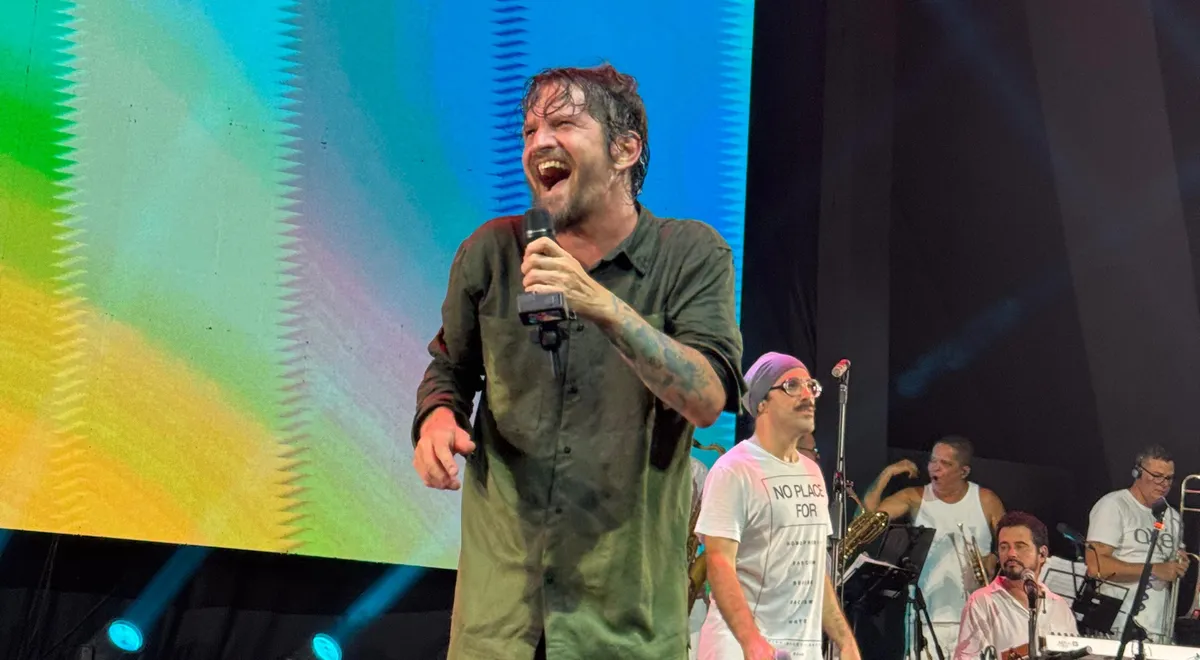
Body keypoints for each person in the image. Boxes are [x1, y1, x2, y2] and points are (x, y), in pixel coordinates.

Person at [409, 63, 745, 660]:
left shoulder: (691, 254)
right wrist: (438, 418)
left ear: (624, 149)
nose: (539, 141)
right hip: (500, 621)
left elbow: (707, 397)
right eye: (530, 129)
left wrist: (602, 305)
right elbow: (451, 370)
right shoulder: (492, 252)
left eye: (563, 123)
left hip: (622, 625)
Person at [695, 352, 861, 660]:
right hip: (740, 648)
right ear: (762, 403)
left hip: (802, 650)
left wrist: (844, 640)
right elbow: (719, 564)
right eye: (792, 385)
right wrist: (752, 642)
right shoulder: (735, 469)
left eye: (811, 386)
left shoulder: (812, 473)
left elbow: (814, 570)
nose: (808, 394)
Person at [859, 437, 1006, 656]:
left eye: (945, 463)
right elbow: (864, 523)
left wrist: (994, 557)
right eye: (932, 460)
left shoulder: (985, 499)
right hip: (926, 618)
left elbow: (1009, 541)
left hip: (975, 617)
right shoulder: (915, 497)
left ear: (964, 471)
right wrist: (887, 473)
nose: (935, 467)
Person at [1085, 444, 1190, 643]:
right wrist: (1153, 570)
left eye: (1169, 478)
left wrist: (1179, 565)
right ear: (1137, 472)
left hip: (1159, 629)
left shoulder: (1173, 517)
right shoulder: (1113, 505)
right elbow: (1096, 566)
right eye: (1157, 476)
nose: (1163, 484)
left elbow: (1171, 568)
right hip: (1118, 626)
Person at [954, 511, 1078, 660]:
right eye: (1004, 547)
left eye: (1020, 546)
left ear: (1042, 554)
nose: (1011, 553)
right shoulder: (981, 602)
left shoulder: (1059, 606)